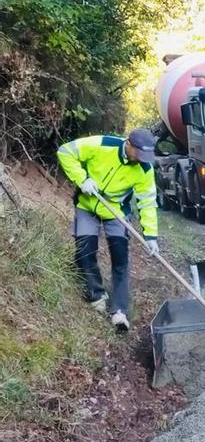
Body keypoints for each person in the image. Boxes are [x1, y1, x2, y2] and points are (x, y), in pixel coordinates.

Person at [57, 129, 160, 331]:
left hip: (116, 213)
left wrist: (151, 236)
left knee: (120, 259)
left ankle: (119, 311)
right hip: (87, 205)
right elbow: (65, 151)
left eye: (145, 156)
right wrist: (82, 179)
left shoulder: (145, 169)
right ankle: (97, 294)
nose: (141, 159)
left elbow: (147, 203)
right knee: (85, 252)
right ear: (129, 144)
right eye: (139, 154)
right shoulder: (102, 144)